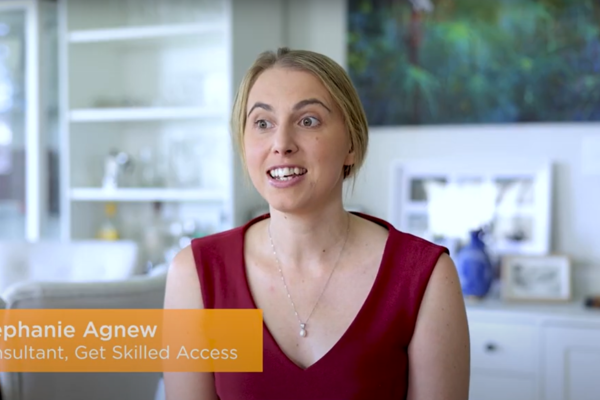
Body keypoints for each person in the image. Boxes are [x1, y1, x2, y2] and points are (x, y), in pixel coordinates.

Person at [164, 47, 470, 400]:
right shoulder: (199, 275)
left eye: (308, 120)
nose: (281, 144)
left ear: (351, 144)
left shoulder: (424, 277)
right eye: (263, 123)